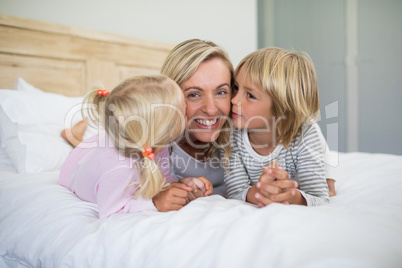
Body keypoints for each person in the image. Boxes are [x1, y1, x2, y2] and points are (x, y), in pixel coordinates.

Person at [59, 75, 212, 218]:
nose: (188, 114)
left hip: (99, 148)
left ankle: (76, 138)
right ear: (165, 126)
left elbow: (161, 179)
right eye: (183, 111)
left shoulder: (158, 144)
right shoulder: (119, 169)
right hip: (75, 166)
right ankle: (75, 139)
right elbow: (112, 211)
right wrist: (154, 203)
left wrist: (179, 186)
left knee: (100, 144)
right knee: (97, 152)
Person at [224, 47, 331, 207]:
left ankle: (330, 178)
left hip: (311, 147)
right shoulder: (231, 135)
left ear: (282, 108)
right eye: (236, 88)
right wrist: (257, 192)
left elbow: (320, 199)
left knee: (328, 181)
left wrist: (292, 197)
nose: (233, 100)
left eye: (250, 95)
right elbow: (235, 192)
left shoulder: (305, 134)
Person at [160, 39, 234, 197]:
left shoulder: (243, 137)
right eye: (194, 94)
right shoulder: (155, 147)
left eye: (221, 92)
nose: (211, 109)